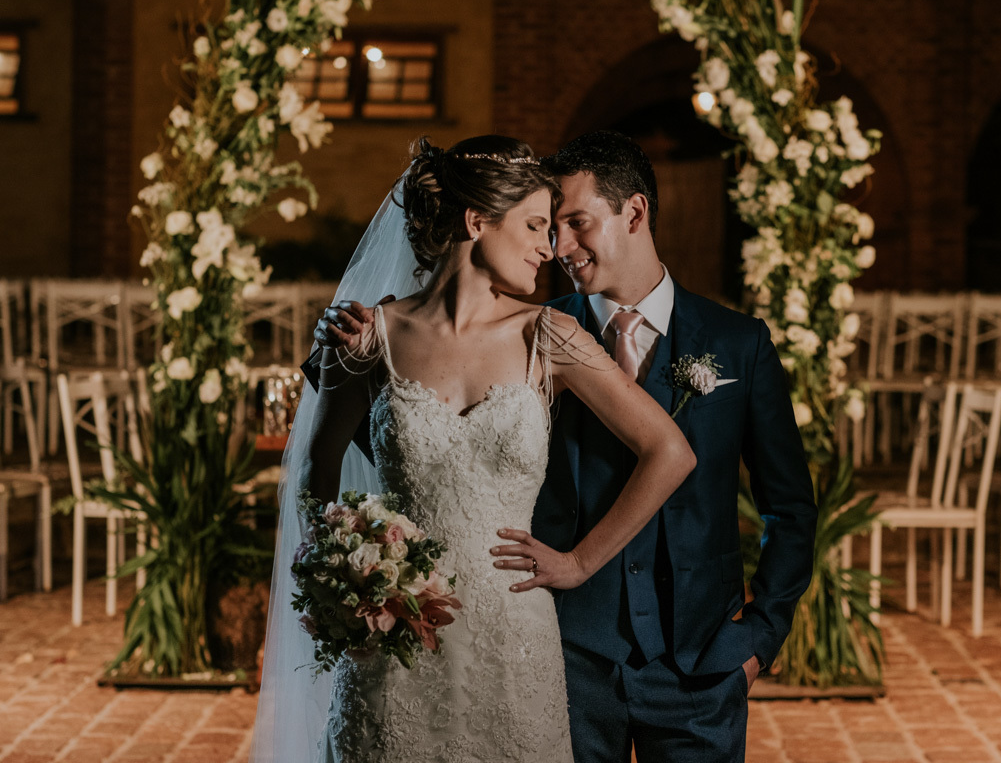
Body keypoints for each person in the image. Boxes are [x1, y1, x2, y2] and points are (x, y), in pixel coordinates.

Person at [316, 131, 817, 763]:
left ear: (633, 214)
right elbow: (404, 455)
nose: (557, 247)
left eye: (574, 224)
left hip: (698, 660)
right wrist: (349, 354)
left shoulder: (737, 342)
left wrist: (756, 641)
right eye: (546, 227)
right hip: (566, 651)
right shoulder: (535, 326)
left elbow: (788, 504)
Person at [250, 135, 696, 763]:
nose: (551, 247)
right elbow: (314, 467)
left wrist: (578, 562)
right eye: (537, 224)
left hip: (513, 640)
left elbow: (669, 450)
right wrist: (344, 577)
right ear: (477, 220)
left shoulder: (549, 334)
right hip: (395, 637)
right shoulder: (370, 334)